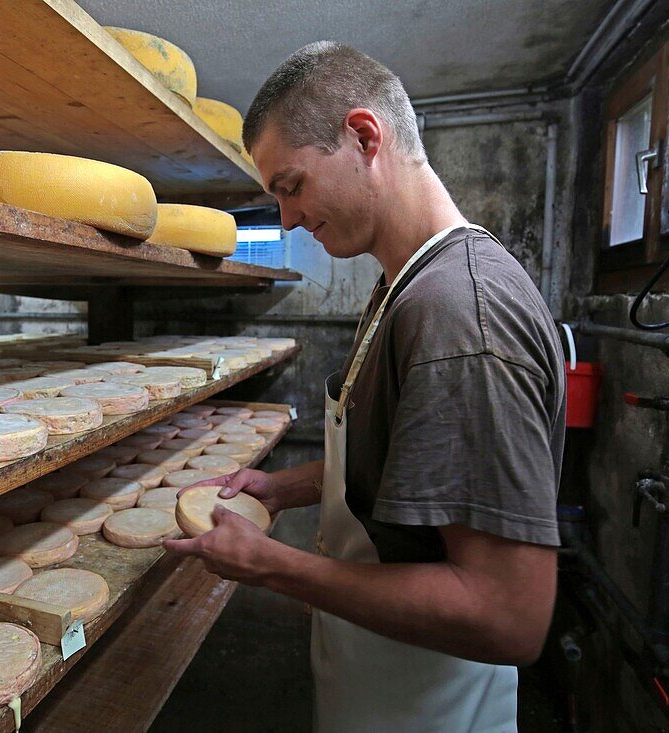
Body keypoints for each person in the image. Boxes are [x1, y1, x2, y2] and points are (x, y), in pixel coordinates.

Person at [163, 41, 565, 733]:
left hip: (426, 709)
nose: (286, 219)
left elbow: (508, 615)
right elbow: (406, 462)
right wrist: (287, 487)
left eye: (291, 186)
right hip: (378, 687)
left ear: (364, 136)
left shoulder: (459, 314)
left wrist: (274, 566)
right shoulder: (404, 286)